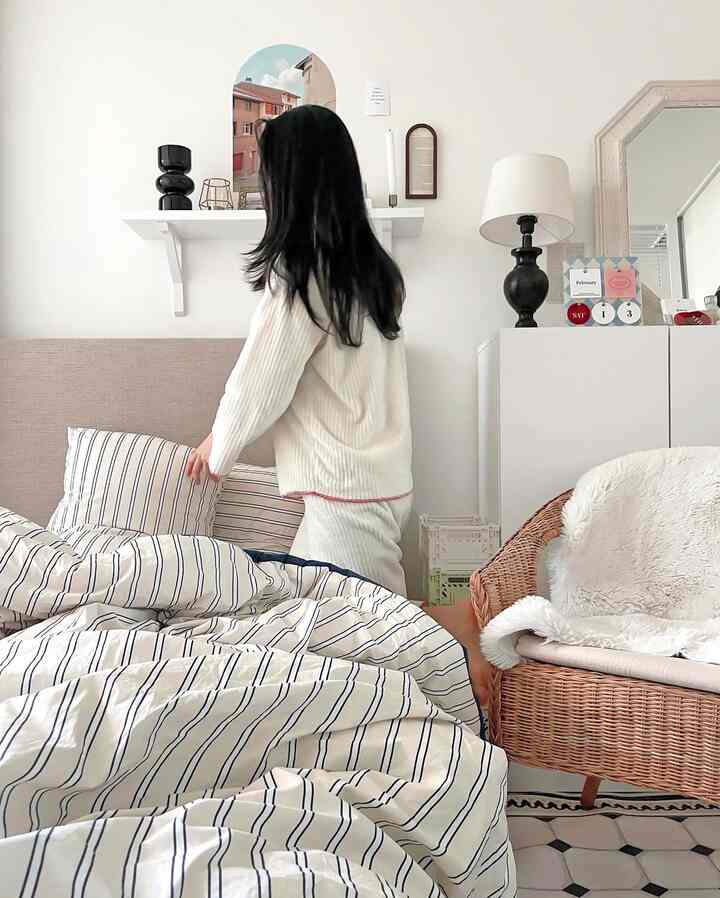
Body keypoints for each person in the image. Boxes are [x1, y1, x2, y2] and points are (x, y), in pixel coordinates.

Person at [186, 105, 412, 596]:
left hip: (342, 491)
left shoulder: (300, 277)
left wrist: (217, 445)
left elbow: (261, 378)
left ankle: (463, 662)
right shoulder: (373, 275)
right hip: (379, 482)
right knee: (316, 618)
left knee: (370, 637)